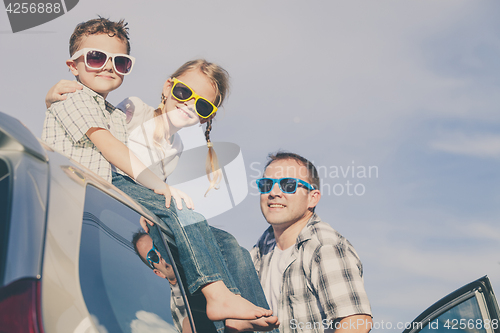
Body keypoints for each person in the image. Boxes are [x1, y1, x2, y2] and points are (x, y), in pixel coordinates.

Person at [41, 17, 278, 330]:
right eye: (183, 92)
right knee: (180, 210)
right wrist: (50, 99)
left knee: (227, 242)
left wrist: (161, 194)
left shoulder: (175, 148)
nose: (189, 105)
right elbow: (108, 145)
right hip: (111, 186)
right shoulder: (130, 110)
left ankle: (246, 312)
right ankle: (218, 295)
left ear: (209, 117)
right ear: (168, 86)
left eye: (203, 106)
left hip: (138, 202)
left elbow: (156, 192)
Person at [251, 152, 373, 333]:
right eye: (266, 184)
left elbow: (356, 322)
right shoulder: (260, 250)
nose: (274, 193)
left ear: (313, 197)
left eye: (288, 185)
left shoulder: (324, 246)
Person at [132, 221, 281, 333]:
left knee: (237, 250)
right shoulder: (178, 299)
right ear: (158, 272)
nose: (159, 254)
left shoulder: (204, 269)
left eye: (158, 246)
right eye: (152, 256)